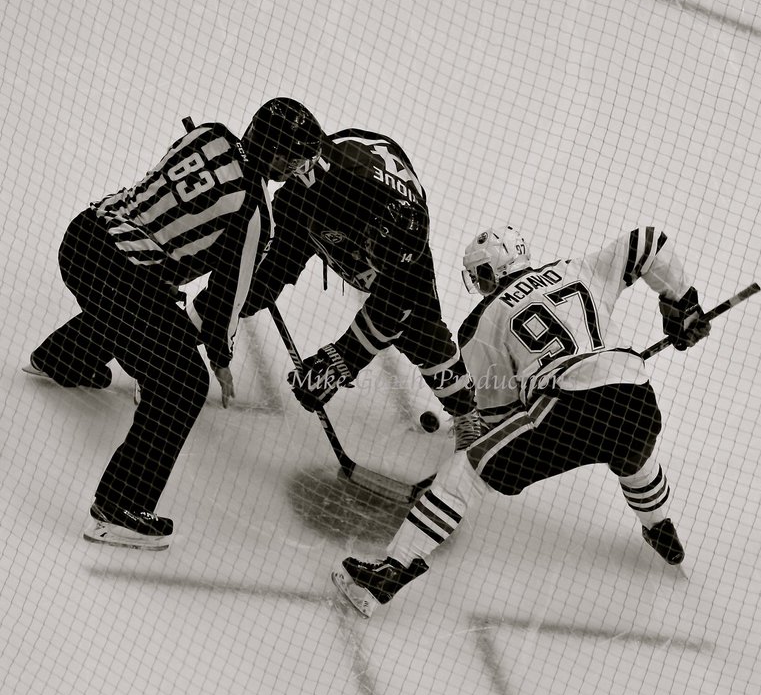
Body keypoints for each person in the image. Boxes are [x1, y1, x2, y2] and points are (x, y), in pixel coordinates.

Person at [332, 223, 712, 615]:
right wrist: (683, 305)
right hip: (637, 394)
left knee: (468, 469)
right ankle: (660, 526)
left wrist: (482, 440)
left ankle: (391, 571)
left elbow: (499, 415)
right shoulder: (575, 270)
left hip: (570, 408)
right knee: (634, 453)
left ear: (487, 273)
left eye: (479, 274)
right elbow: (648, 242)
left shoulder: (480, 326)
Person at [26, 98, 324, 549]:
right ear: (277, 153)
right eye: (296, 153)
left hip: (85, 235)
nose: (301, 163)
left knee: (145, 312)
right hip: (120, 272)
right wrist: (220, 355)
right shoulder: (254, 212)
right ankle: (119, 509)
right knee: (182, 382)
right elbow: (227, 295)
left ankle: (60, 360)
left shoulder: (211, 133)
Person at [190, 127, 479, 442]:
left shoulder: (411, 246)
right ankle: (170, 341)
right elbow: (284, 163)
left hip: (366, 209)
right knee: (253, 284)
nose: (374, 268)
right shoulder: (326, 189)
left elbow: (393, 310)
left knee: (422, 329)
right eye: (373, 254)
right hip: (313, 208)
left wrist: (336, 364)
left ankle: (467, 415)